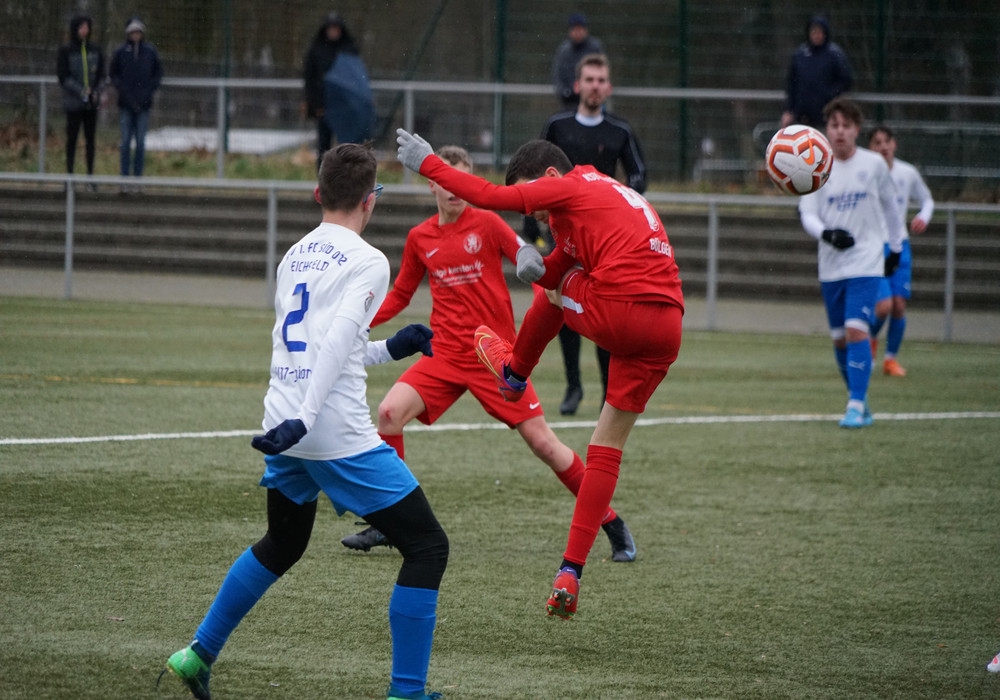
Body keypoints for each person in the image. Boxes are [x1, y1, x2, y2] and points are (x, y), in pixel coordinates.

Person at [162, 143, 448, 700]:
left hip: (282, 424)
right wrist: (310, 418)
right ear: (372, 201)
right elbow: (338, 340)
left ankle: (197, 654)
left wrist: (391, 348)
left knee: (281, 543)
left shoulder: (293, 255)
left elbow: (325, 346)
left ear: (319, 194)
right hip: (328, 431)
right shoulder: (368, 259)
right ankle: (407, 694)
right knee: (428, 548)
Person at [394, 128, 684, 619]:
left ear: (550, 176)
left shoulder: (571, 185)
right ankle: (571, 568)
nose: (541, 218)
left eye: (540, 206)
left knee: (552, 294)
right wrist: (542, 268)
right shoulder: (605, 199)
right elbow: (558, 270)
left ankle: (513, 371)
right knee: (606, 443)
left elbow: (490, 197)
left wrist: (428, 164)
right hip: (667, 325)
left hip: (621, 307)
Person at [340, 145, 636, 564]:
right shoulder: (420, 237)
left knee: (545, 445)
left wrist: (546, 315)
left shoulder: (490, 224)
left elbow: (532, 263)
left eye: (461, 180)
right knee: (389, 413)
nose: (454, 192)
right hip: (442, 354)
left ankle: (611, 521)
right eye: (446, 182)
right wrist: (359, 325)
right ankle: (390, 522)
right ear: (433, 187)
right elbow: (401, 295)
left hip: (494, 357)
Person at [527, 53, 648, 415]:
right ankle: (573, 386)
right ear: (578, 85)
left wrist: (618, 205)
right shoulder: (557, 125)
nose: (595, 86)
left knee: (605, 313)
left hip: (603, 244)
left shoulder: (620, 131)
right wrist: (532, 225)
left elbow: (640, 176)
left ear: (608, 88)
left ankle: (607, 393)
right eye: (589, 80)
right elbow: (534, 170)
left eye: (601, 80)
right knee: (561, 306)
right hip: (561, 236)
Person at [797, 98, 905, 429]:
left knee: (858, 330)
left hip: (866, 260)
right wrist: (827, 234)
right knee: (840, 339)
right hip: (831, 265)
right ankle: (858, 397)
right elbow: (807, 214)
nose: (840, 132)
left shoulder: (873, 165)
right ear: (826, 130)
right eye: (834, 125)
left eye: (846, 126)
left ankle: (855, 405)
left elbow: (891, 207)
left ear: (857, 130)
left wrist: (895, 249)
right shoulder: (815, 165)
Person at [867, 124, 934, 377]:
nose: (883, 146)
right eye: (877, 142)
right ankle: (870, 341)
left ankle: (890, 360)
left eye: (886, 141)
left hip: (900, 245)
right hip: (875, 246)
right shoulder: (867, 173)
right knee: (883, 306)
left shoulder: (907, 172)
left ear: (894, 144)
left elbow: (926, 199)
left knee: (898, 307)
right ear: (870, 148)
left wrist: (924, 216)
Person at [109, 16, 163, 193]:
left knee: (140, 143)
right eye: (133, 31)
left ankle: (138, 179)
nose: (136, 34)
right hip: (126, 104)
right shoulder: (121, 52)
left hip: (144, 104)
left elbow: (157, 73)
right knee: (125, 142)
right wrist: (124, 92)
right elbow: (114, 74)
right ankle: (124, 179)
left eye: (138, 31)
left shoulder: (150, 51)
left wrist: (148, 92)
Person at [302, 12, 359, 169]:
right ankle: (323, 185)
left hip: (343, 108)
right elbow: (310, 79)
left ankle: (345, 184)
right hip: (324, 108)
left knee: (347, 148)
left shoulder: (348, 49)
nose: (334, 32)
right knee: (324, 148)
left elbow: (355, 79)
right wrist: (316, 105)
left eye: (336, 28)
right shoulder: (317, 50)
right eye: (331, 28)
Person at [56, 13, 105, 186]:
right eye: (81, 27)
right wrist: (82, 91)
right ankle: (70, 176)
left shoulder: (96, 49)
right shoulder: (66, 50)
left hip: (91, 105)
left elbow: (101, 75)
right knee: (72, 139)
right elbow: (63, 76)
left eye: (87, 27)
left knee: (90, 140)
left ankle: (90, 177)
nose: (85, 30)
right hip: (74, 104)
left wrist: (96, 92)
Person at [780, 14, 853, 128]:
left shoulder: (835, 54)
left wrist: (829, 96)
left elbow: (846, 80)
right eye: (814, 31)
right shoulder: (800, 54)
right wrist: (789, 110)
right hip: (801, 117)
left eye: (820, 32)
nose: (817, 35)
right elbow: (792, 84)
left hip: (825, 116)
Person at [551, 12, 603, 110]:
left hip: (592, 98)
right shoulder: (564, 51)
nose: (577, 32)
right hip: (569, 101)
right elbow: (557, 75)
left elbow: (602, 72)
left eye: (580, 29)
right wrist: (566, 92)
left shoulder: (595, 48)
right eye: (575, 29)